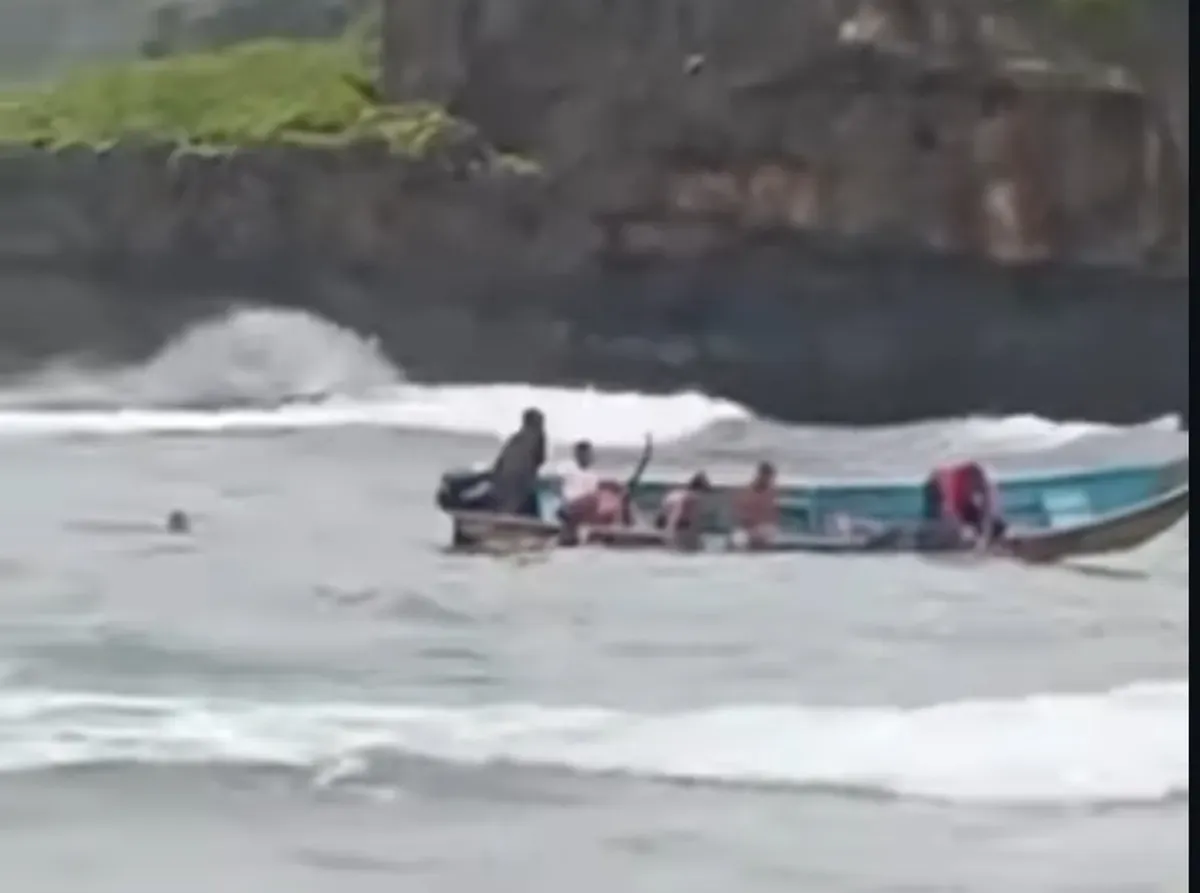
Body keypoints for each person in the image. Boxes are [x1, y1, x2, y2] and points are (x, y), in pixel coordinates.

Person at [922, 460, 1006, 544]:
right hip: (937, 483)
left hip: (968, 487)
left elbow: (988, 509)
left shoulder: (984, 483)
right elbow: (951, 511)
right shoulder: (956, 484)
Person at [490, 408, 547, 518]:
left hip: (502, 475)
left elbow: (501, 459)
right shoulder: (539, 436)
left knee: (505, 502)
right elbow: (541, 459)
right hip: (521, 476)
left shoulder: (515, 437)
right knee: (518, 499)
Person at [654, 471, 714, 548]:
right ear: (701, 489)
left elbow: (661, 516)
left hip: (661, 526)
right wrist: (670, 534)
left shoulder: (674, 493)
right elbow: (677, 516)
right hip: (677, 532)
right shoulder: (690, 498)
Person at [733, 461, 780, 547]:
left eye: (770, 477)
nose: (769, 479)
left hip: (766, 527)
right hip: (750, 528)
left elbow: (772, 512)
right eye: (767, 476)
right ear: (761, 475)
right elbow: (742, 511)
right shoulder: (748, 491)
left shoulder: (771, 491)